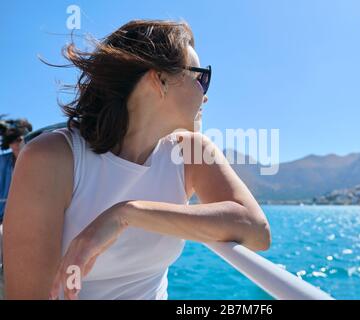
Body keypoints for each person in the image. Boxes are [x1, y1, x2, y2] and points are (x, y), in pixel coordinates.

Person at [2, 20, 271, 300]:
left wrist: (128, 214)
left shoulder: (190, 152)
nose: (206, 95)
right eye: (201, 78)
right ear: (159, 81)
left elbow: (257, 232)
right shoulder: (53, 157)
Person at [0, 118, 33, 224]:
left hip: (29, 218)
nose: (20, 143)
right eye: (15, 140)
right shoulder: (1, 161)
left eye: (23, 139)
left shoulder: (40, 160)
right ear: (8, 143)